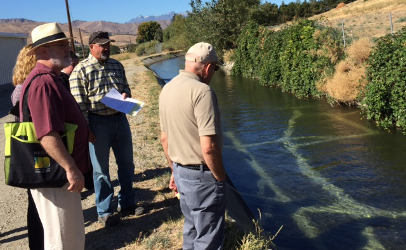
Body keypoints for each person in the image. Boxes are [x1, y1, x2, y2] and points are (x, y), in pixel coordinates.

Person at [19, 22, 90, 250]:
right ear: (43, 52)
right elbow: (47, 134)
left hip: (58, 176)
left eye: (67, 44)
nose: (68, 50)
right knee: (63, 242)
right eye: (61, 46)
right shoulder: (43, 82)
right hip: (57, 177)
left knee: (68, 239)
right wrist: (71, 169)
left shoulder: (51, 78)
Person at [69, 31, 143, 227]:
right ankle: (105, 211)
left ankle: (127, 203)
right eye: (102, 45)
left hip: (120, 119)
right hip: (97, 123)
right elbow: (79, 106)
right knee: (101, 171)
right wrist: (87, 130)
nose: (106, 48)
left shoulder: (116, 65)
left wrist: (126, 94)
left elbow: (126, 87)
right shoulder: (81, 71)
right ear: (91, 47)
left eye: (108, 44)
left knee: (127, 164)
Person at [159, 42, 228, 249]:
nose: (213, 73)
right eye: (214, 69)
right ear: (208, 67)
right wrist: (220, 177)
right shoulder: (203, 92)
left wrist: (173, 170)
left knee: (191, 228)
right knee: (208, 237)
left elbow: (165, 138)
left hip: (180, 170)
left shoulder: (168, 88)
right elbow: (208, 148)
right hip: (202, 177)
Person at [10, 44, 44, 250]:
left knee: (35, 202)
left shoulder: (19, 88)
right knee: (37, 203)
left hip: (29, 151)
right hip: (35, 150)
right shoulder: (26, 89)